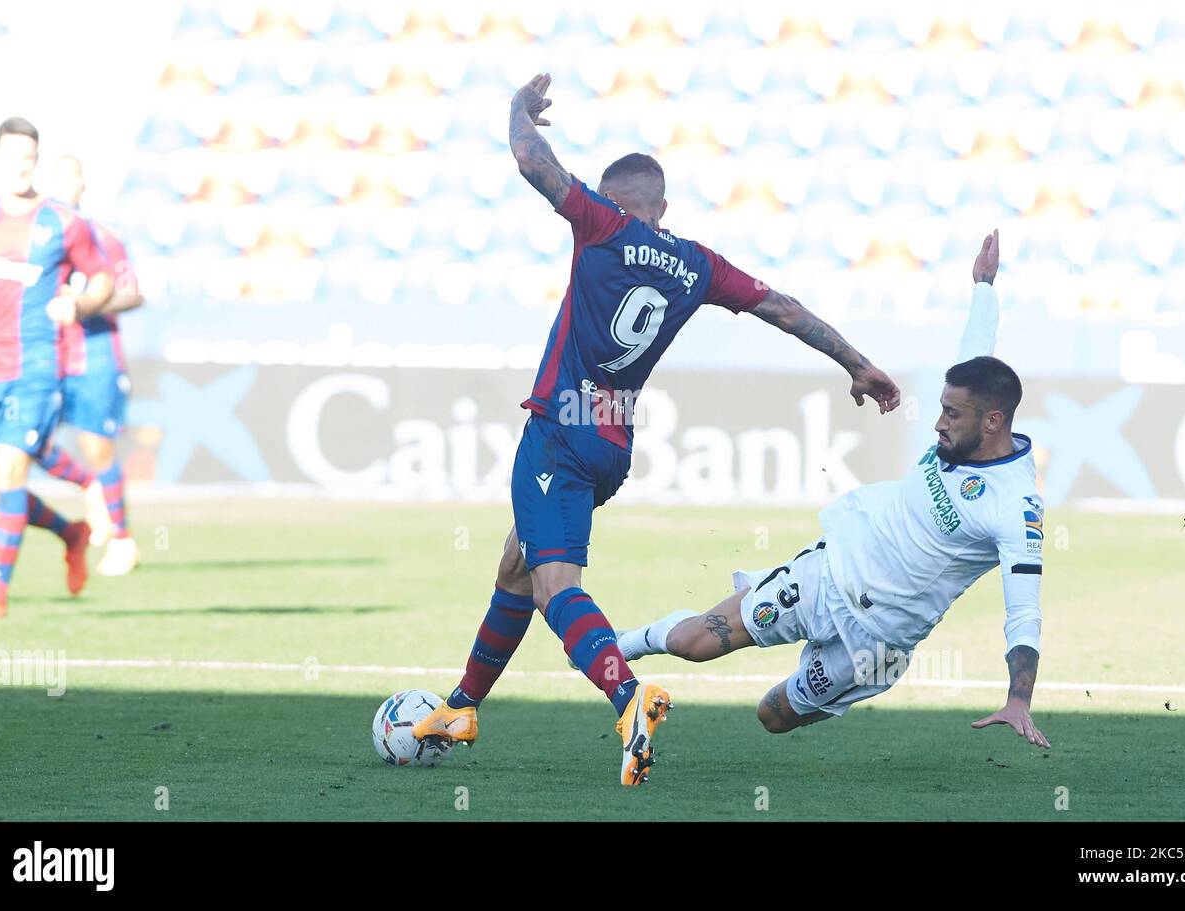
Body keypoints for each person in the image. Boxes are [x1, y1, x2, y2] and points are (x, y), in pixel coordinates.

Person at [412, 74, 903, 785]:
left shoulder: (600, 225)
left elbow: (531, 162)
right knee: (518, 563)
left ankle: (627, 696)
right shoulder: (696, 264)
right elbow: (782, 307)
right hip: (612, 443)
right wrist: (857, 363)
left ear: (614, 202)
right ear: (662, 207)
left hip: (558, 430)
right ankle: (463, 703)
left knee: (553, 584)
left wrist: (517, 108)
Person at [617, 231, 1053, 750]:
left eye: (951, 414)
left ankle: (834, 681)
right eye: (941, 408)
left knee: (772, 716)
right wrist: (983, 286)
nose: (937, 424)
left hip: (877, 642)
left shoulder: (1015, 507)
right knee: (694, 643)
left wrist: (1019, 698)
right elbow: (976, 346)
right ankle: (611, 647)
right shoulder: (965, 425)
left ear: (993, 422)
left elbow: (1024, 609)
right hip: (827, 575)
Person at [0, 118, 114, 622]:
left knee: (9, 471)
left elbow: (101, 278)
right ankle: (72, 532)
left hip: (38, 367)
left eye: (28, 158)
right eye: (12, 157)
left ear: (36, 159)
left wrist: (81, 304)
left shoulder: (61, 223)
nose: (20, 166)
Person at [38, 154, 145, 576]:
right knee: (31, 442)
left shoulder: (103, 237)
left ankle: (122, 541)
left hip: (94, 354)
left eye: (74, 178)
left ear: (83, 186)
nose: (69, 186)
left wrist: (83, 308)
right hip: (42, 353)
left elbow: (133, 292)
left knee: (97, 446)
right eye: (59, 178)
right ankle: (92, 488)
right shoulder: (32, 237)